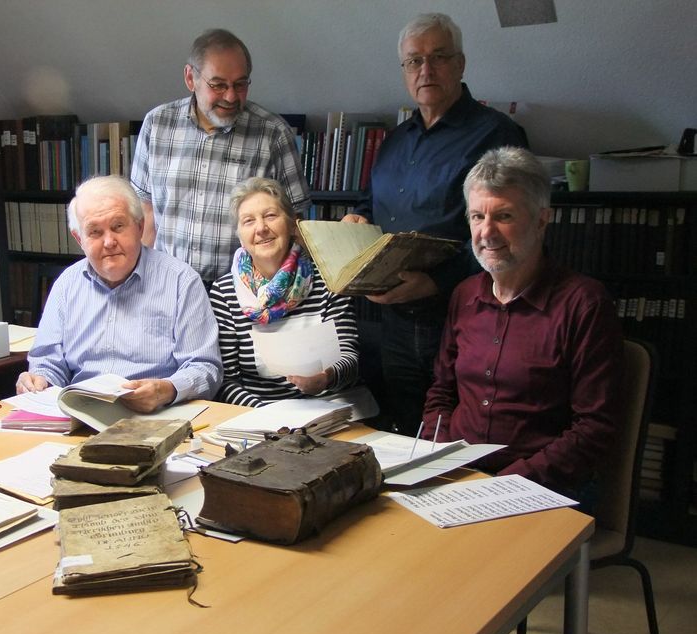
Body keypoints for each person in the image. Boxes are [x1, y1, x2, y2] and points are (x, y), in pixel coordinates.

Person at [421, 146, 623, 634]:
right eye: (478, 217)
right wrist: (431, 458)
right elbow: (441, 393)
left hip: (543, 484)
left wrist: (507, 484)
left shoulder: (582, 304)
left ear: (542, 218)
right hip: (457, 474)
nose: (488, 232)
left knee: (461, 578)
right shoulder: (466, 295)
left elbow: (595, 430)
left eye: (504, 216)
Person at [343, 12, 528, 436]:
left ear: (460, 64)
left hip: (461, 316)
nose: (425, 70)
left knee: (458, 436)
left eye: (438, 57)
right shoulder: (394, 142)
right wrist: (357, 217)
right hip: (390, 320)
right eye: (414, 61)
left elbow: (507, 235)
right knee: (403, 429)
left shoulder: (496, 134)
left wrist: (435, 281)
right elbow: (371, 204)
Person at [17, 175, 223, 412]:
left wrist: (166, 390)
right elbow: (47, 362)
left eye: (117, 227)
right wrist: (39, 380)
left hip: (156, 415)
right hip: (81, 416)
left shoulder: (181, 281)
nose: (109, 242)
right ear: (79, 239)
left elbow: (205, 368)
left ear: (139, 226)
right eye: (94, 232)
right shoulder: (66, 285)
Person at [130, 28, 311, 287]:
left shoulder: (272, 134)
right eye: (218, 85)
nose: (230, 96)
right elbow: (146, 216)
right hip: (167, 287)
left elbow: (296, 223)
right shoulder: (157, 124)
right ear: (190, 78)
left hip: (243, 291)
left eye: (240, 84)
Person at [209, 178, 359, 407]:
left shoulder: (330, 279)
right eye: (249, 221)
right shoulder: (224, 292)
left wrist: (325, 378)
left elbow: (350, 359)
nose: (261, 228)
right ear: (240, 235)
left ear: (292, 225)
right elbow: (227, 381)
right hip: (258, 417)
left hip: (330, 409)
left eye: (270, 216)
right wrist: (268, 416)